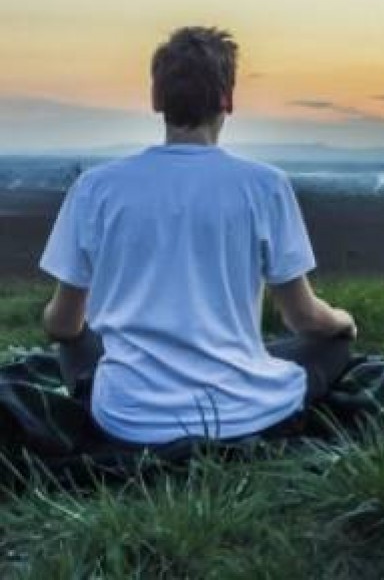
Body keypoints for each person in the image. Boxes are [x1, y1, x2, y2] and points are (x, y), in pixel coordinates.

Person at [38, 26, 357, 446]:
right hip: (242, 413)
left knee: (76, 339)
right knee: (332, 346)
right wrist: (343, 321)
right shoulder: (266, 185)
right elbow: (304, 320)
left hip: (127, 419)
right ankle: (246, 376)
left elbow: (61, 325)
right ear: (228, 99)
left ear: (156, 100)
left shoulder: (96, 188)